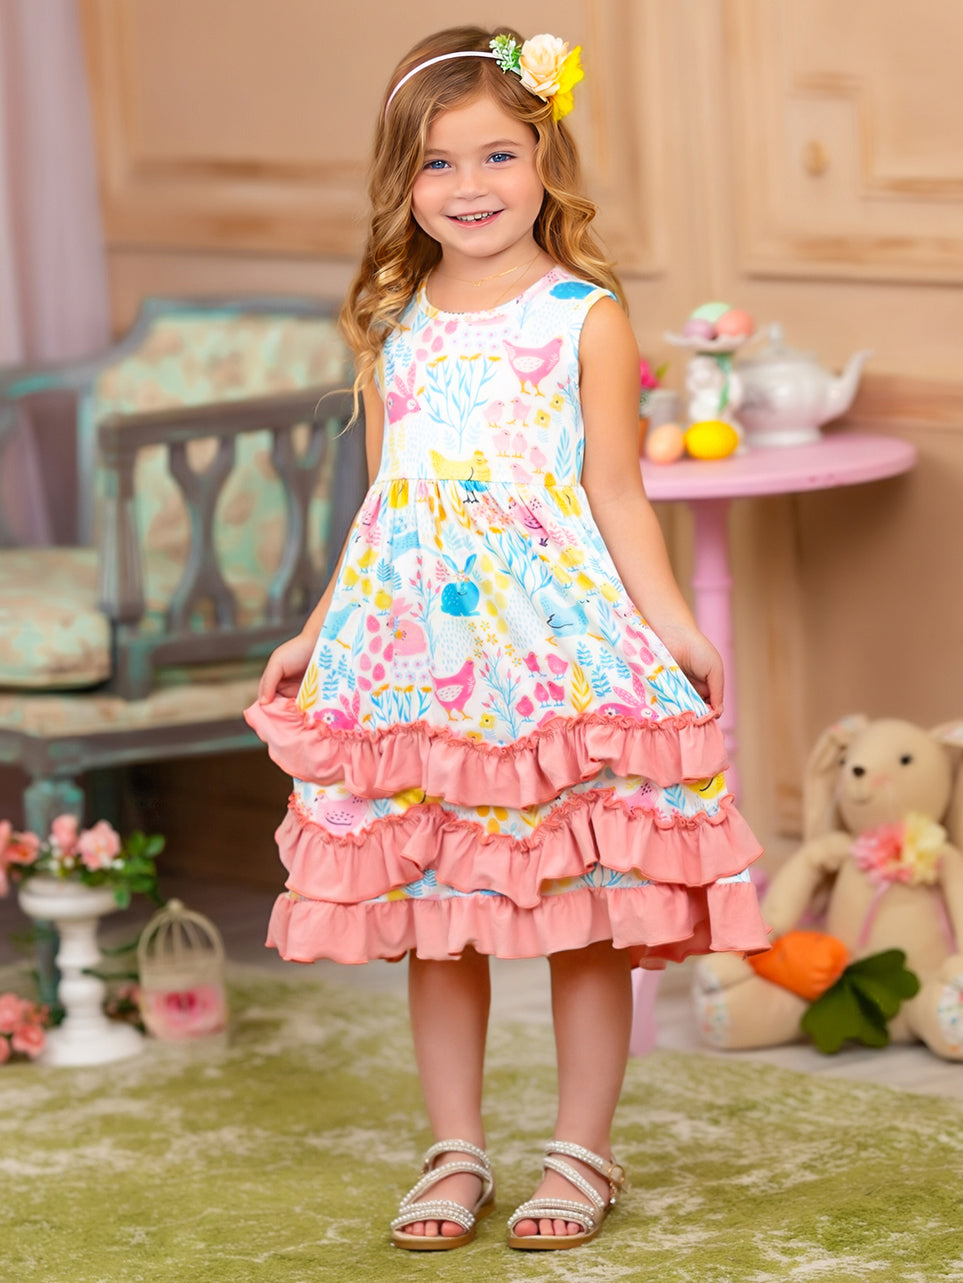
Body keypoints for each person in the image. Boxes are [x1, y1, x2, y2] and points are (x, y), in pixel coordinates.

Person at [246, 24, 768, 1253]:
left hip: (554, 651)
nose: (469, 186)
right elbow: (384, 501)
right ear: (403, 179)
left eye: (497, 155)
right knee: (441, 911)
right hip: (416, 663)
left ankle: (583, 1148)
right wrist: (318, 628)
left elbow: (618, 491)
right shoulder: (392, 319)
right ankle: (455, 1147)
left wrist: (673, 624)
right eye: (437, 163)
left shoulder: (584, 315)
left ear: (544, 159)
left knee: (583, 906)